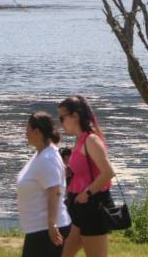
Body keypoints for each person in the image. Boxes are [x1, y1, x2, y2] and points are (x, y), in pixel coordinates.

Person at [58, 95, 115, 257]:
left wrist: (86, 193)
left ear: (74, 116)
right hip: (80, 209)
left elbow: (108, 173)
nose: (60, 122)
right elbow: (85, 171)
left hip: (93, 207)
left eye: (62, 117)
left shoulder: (91, 140)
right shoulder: (80, 140)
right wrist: (69, 172)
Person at [17, 111, 72, 257]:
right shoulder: (41, 154)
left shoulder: (48, 158)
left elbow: (55, 192)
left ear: (37, 132)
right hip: (38, 229)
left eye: (27, 130)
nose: (25, 134)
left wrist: (52, 224)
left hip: (48, 230)